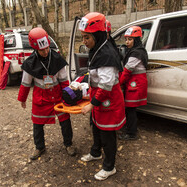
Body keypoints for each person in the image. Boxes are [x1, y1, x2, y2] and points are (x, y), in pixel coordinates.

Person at [79, 12, 126, 181]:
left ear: (97, 35)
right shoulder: (96, 49)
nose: (84, 42)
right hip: (99, 98)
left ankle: (109, 166)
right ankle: (95, 152)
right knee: (97, 127)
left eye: (87, 38)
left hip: (107, 100)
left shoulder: (107, 54)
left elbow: (106, 85)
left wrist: (92, 104)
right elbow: (95, 74)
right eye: (82, 37)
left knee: (108, 134)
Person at [17, 27, 76, 160]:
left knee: (65, 121)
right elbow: (25, 83)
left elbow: (64, 81)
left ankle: (69, 144)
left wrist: (70, 96)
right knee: (37, 123)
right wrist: (22, 99)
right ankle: (39, 147)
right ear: (35, 48)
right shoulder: (30, 63)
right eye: (41, 50)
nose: (45, 51)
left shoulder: (57, 59)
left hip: (58, 95)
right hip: (41, 97)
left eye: (47, 48)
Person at [118, 26, 148, 140]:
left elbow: (126, 71)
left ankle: (131, 134)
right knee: (130, 109)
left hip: (136, 84)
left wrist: (118, 83)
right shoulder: (136, 51)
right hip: (134, 83)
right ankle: (130, 129)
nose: (127, 42)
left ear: (136, 40)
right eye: (126, 39)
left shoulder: (137, 53)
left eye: (130, 39)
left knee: (130, 109)